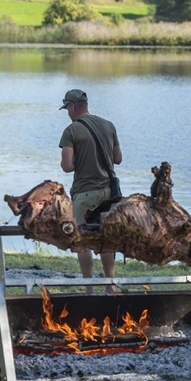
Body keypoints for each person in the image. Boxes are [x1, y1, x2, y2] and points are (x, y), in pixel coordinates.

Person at [58, 89, 122, 292]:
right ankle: (110, 286)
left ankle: (89, 286)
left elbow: (67, 166)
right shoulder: (108, 125)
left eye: (67, 108)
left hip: (85, 193)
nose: (67, 112)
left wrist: (80, 158)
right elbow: (118, 158)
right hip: (109, 192)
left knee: (82, 238)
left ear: (72, 106)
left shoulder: (71, 131)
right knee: (106, 237)